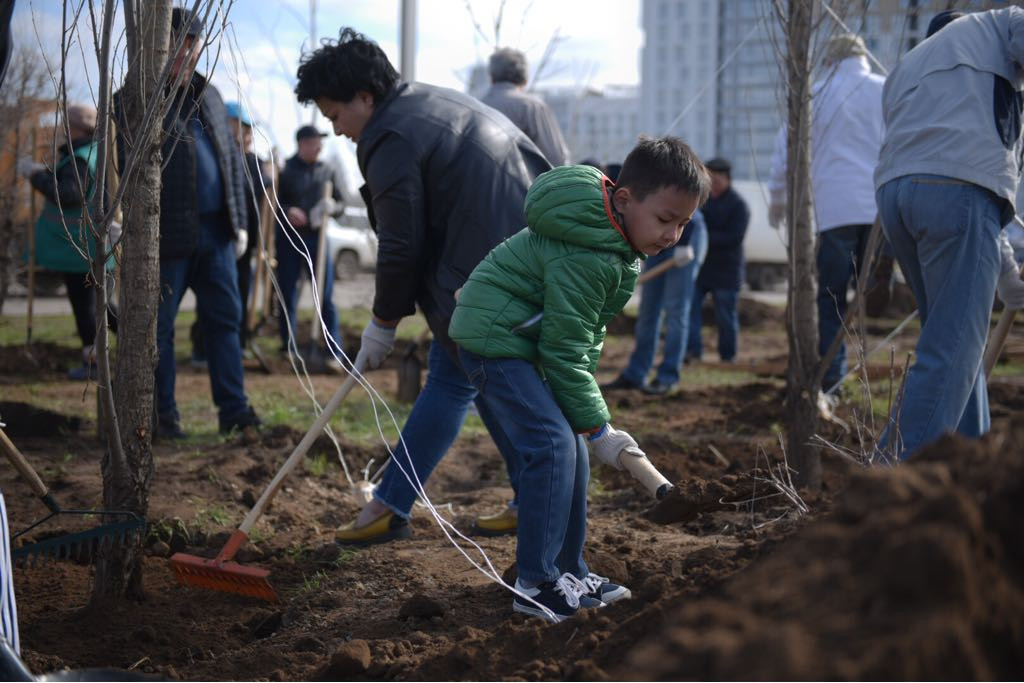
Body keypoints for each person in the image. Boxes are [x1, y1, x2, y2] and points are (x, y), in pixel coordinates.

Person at [294, 28, 550, 544]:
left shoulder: (389, 135)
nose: (338, 130)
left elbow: (401, 240)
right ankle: (402, 502)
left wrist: (384, 321)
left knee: (485, 382)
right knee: (457, 379)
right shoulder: (426, 103)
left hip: (488, 274)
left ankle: (535, 507)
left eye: (335, 115)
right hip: (514, 256)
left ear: (365, 97)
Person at [450, 137, 711, 621]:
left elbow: (584, 336)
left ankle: (568, 569)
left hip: (522, 342)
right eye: (664, 219)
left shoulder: (613, 242)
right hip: (496, 343)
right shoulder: (589, 253)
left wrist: (588, 421)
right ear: (626, 198)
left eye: (683, 223)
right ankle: (536, 582)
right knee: (552, 444)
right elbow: (565, 348)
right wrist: (598, 424)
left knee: (571, 448)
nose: (672, 235)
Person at [873, 7, 1024, 460]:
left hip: (898, 197)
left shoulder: (915, 65)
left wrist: (1008, 279)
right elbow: (961, 181)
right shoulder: (1008, 20)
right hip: (956, 196)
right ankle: (888, 484)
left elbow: (947, 169)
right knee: (951, 350)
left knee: (956, 340)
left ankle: (968, 470)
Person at [118, 7, 260, 438]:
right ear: (154, 46)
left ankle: (234, 412)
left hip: (216, 235)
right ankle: (162, 419)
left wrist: (239, 223)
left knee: (225, 322)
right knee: (157, 331)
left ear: (199, 47)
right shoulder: (136, 97)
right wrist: (120, 219)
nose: (183, 52)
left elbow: (232, 162)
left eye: (191, 44)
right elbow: (120, 165)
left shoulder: (211, 95)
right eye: (174, 43)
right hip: (165, 236)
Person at [768, 34, 885, 390]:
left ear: (830, 61)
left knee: (832, 297)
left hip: (836, 210)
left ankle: (832, 375)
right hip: (882, 209)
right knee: (873, 296)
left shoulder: (815, 93)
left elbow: (787, 149)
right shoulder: (887, 88)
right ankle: (871, 375)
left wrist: (778, 196)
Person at [19, 103, 118, 380]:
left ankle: (96, 365)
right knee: (103, 307)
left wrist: (35, 176)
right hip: (89, 247)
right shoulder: (94, 153)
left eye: (66, 124)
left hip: (78, 249)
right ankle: (138, 343)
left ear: (73, 127)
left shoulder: (81, 157)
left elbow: (70, 194)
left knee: (89, 310)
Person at [191, 100, 270, 366]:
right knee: (212, 298)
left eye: (249, 131)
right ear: (226, 124)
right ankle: (202, 349)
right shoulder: (216, 155)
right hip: (220, 238)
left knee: (240, 294)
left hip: (246, 242)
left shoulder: (252, 161)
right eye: (242, 128)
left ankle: (237, 344)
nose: (247, 135)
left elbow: (263, 193)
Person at [601, 211, 707, 394]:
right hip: (657, 235)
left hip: (686, 234)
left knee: (675, 311)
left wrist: (685, 240)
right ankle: (636, 374)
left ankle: (668, 376)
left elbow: (690, 200)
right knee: (648, 310)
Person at [274, 124, 344, 358]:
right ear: (302, 144)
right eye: (315, 142)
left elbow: (341, 203)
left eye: (320, 142)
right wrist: (288, 210)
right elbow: (273, 203)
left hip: (318, 239)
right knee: (288, 292)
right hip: (290, 240)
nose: (319, 147)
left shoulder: (327, 171)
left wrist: (331, 208)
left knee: (324, 294)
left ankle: (333, 350)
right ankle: (289, 346)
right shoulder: (286, 171)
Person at [688, 158, 750, 363]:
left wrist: (704, 238)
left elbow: (734, 238)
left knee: (725, 316)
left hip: (727, 271)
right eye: (709, 178)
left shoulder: (738, 205)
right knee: (691, 310)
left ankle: (728, 356)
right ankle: (693, 352)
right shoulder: (703, 202)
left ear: (728, 179)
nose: (713, 182)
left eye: (717, 178)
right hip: (703, 268)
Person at [481, 47, 570, 166]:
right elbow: (556, 159)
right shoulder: (532, 107)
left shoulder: (476, 106)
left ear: (491, 77)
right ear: (525, 79)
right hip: (523, 183)